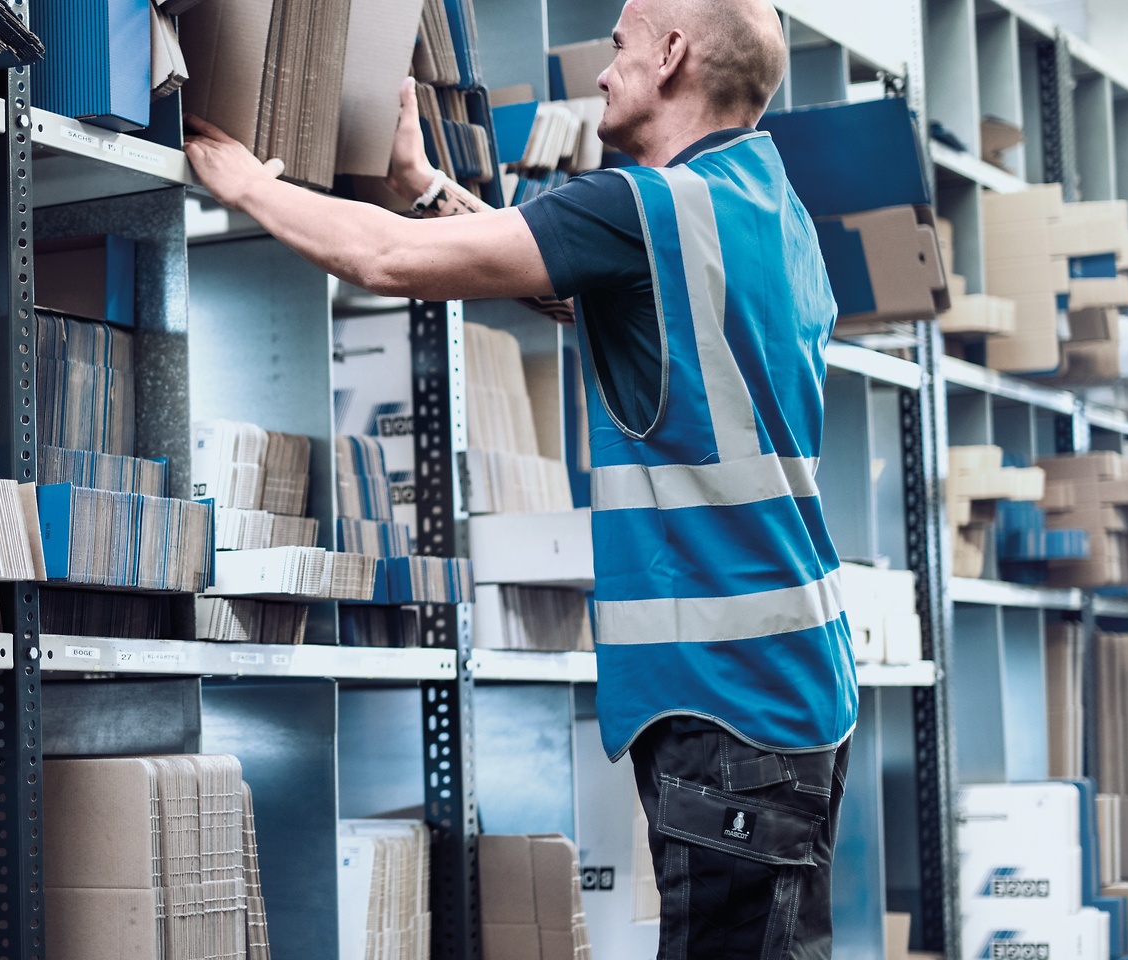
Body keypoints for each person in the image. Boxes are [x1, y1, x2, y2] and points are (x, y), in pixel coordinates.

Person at [184, 0, 858, 957]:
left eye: (620, 48)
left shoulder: (647, 205)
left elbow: (389, 262)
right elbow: (569, 286)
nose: (601, 72)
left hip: (728, 702)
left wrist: (248, 184)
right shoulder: (765, 211)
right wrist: (425, 187)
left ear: (673, 55)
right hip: (788, 693)